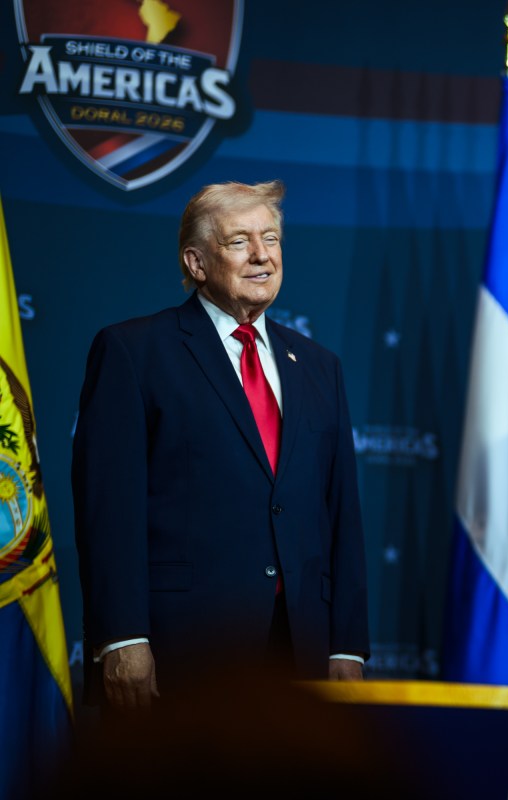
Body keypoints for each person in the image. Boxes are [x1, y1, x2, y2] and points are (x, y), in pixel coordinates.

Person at [71, 180, 370, 713]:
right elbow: (108, 509)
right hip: (181, 650)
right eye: (239, 242)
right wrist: (121, 636)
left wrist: (347, 643)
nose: (262, 256)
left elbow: (340, 511)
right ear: (197, 262)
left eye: (272, 239)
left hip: (298, 649)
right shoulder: (133, 352)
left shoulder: (321, 367)